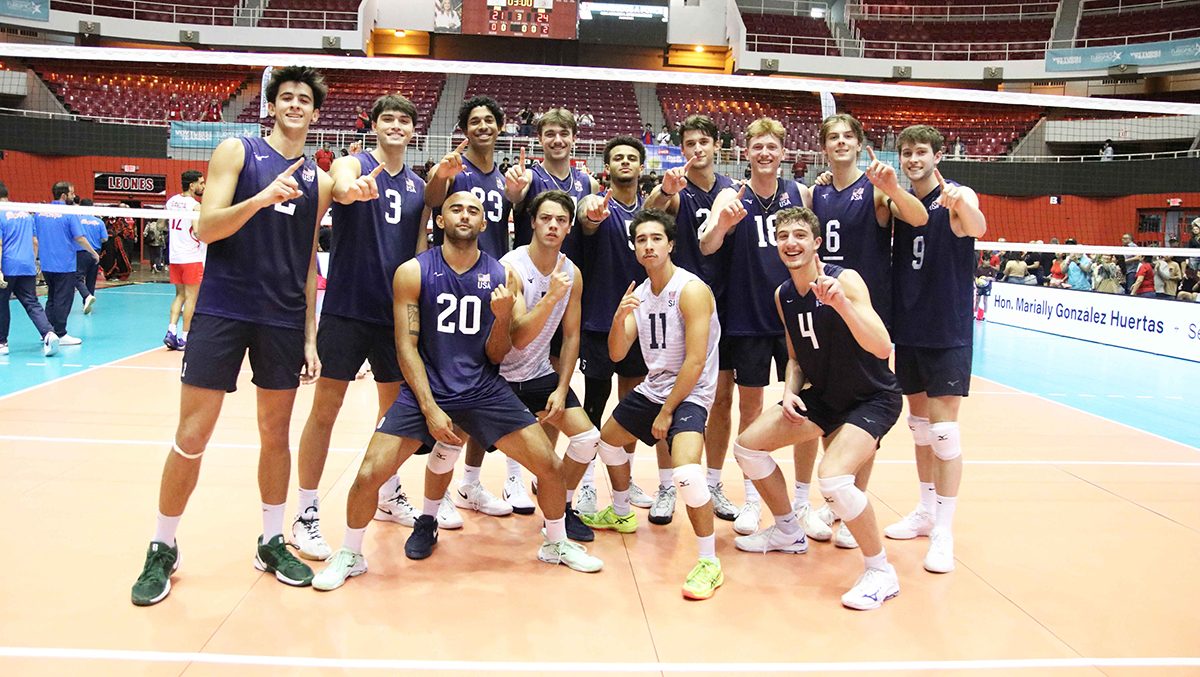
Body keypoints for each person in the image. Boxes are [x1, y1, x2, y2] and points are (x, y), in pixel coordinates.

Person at [312, 191, 603, 590]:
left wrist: (502, 319)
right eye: (456, 209)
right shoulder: (412, 272)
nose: (465, 215)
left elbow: (499, 351)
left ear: (484, 224)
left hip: (483, 388)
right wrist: (430, 407)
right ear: (440, 220)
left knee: (551, 468)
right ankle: (351, 553)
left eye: (473, 210)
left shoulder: (502, 277)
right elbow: (405, 347)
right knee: (368, 475)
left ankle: (555, 543)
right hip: (427, 390)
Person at [130, 66, 333, 606]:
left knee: (276, 436)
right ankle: (162, 546)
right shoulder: (237, 152)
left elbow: (309, 259)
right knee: (192, 434)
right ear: (272, 105)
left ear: (315, 113)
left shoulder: (320, 179)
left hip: (283, 318)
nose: (294, 105)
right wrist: (260, 199)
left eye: (304, 100)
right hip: (223, 310)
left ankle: (271, 540)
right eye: (286, 97)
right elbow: (205, 226)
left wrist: (311, 336)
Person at [729, 206, 902, 610]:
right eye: (784, 235)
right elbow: (795, 358)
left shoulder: (846, 281)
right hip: (823, 395)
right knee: (747, 447)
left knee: (835, 480)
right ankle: (788, 531)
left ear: (817, 243)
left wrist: (842, 305)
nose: (791, 242)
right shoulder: (783, 294)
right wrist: (790, 391)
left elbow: (882, 347)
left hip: (872, 396)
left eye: (800, 235)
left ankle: (881, 572)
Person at [292, 95, 435, 561]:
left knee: (392, 416)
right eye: (387, 119)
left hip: (392, 317)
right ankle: (307, 512)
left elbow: (416, 251)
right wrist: (349, 189)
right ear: (374, 126)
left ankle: (389, 493)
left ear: (415, 131)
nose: (396, 126)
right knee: (324, 411)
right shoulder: (355, 164)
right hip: (348, 311)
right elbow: (340, 182)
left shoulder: (416, 186)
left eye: (404, 121)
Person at [800, 113, 928, 549]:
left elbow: (919, 217)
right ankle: (839, 503)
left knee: (863, 410)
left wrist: (892, 187)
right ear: (823, 147)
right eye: (832, 137)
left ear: (859, 144)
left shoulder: (874, 188)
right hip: (825, 313)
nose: (839, 143)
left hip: (866, 314)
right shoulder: (816, 192)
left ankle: (853, 502)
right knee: (833, 406)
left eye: (847, 137)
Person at [585, 208, 724, 600]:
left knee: (687, 474)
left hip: (690, 391)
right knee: (608, 442)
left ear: (670, 244)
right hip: (656, 387)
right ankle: (622, 510)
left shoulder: (690, 289)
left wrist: (666, 412)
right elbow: (616, 354)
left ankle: (709, 562)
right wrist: (618, 318)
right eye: (641, 240)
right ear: (634, 247)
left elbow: (696, 361)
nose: (648, 246)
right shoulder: (641, 295)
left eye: (656, 239)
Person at [699, 118, 827, 539]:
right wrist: (722, 223)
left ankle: (804, 501)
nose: (765, 153)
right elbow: (706, 246)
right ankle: (753, 501)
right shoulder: (729, 194)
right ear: (746, 152)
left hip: (797, 314)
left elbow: (814, 240)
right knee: (749, 409)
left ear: (783, 152)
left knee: (809, 407)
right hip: (747, 317)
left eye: (772, 146)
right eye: (758, 147)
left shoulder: (801, 192)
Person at [884, 125, 987, 575]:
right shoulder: (902, 204)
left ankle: (944, 529)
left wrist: (963, 203)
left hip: (947, 331)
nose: (912, 159)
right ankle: (926, 510)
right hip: (909, 329)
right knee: (921, 428)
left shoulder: (958, 196)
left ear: (938, 155)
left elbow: (978, 226)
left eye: (920, 151)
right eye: (906, 152)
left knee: (946, 433)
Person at [504, 108, 602, 511]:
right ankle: (509, 476)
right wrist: (515, 192)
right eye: (550, 133)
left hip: (565, 284)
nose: (557, 139)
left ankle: (544, 478)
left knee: (553, 388)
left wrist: (592, 219)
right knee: (512, 367)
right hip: (529, 286)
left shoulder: (587, 181)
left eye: (564, 133)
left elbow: (591, 228)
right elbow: (513, 201)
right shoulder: (528, 178)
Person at [644, 114, 740, 521]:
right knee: (670, 392)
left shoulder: (733, 191)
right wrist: (663, 192)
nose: (697, 149)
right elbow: (649, 214)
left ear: (716, 146)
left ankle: (714, 482)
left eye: (704, 142)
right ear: (681, 149)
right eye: (690, 143)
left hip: (727, 303)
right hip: (678, 307)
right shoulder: (678, 191)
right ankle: (667, 486)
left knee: (721, 399)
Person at [425, 96, 517, 517]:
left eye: (488, 120)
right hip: (451, 285)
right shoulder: (452, 169)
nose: (482, 126)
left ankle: (470, 484)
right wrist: (439, 177)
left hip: (492, 286)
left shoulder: (507, 176)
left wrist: (518, 196)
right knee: (451, 389)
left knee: (486, 382)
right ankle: (438, 493)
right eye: (474, 121)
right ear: (464, 129)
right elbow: (431, 201)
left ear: (500, 127)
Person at [575, 137, 659, 517]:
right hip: (599, 320)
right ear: (606, 168)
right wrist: (590, 214)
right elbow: (586, 222)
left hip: (641, 322)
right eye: (618, 158)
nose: (625, 162)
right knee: (593, 406)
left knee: (632, 407)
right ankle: (588, 481)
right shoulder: (597, 205)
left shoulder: (649, 212)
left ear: (641, 166)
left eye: (632, 157)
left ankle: (624, 479)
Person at [0, 179, 59, 357]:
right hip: (27, 265)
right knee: (31, 302)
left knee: (1, 303)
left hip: (8, 265)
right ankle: (48, 333)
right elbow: (35, 242)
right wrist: (32, 263)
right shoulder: (26, 213)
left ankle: (2, 342)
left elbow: (0, 244)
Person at [35, 182, 96, 348]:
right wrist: (93, 252)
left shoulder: (40, 213)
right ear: (64, 195)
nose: (74, 196)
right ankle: (60, 334)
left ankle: (48, 332)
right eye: (71, 193)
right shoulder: (69, 213)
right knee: (63, 299)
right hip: (64, 264)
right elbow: (80, 238)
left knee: (52, 298)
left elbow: (35, 237)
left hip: (47, 264)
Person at [163, 170, 206, 351]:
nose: (204, 186)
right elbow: (197, 231)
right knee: (191, 299)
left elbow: (162, 224)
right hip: (192, 257)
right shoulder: (195, 206)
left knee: (179, 295)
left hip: (175, 256)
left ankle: (170, 331)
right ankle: (185, 337)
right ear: (192, 185)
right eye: (201, 183)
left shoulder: (171, 201)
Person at [74, 198, 108, 314]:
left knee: (76, 277)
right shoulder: (99, 222)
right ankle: (87, 303)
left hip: (81, 252)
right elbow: (105, 238)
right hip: (95, 253)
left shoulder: (77, 220)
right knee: (91, 280)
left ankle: (86, 295)